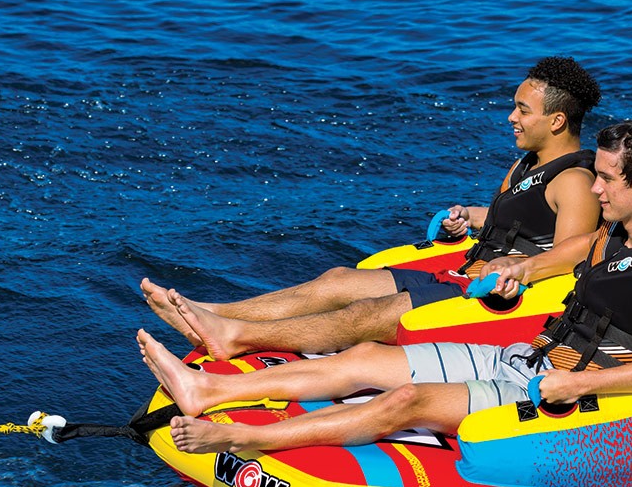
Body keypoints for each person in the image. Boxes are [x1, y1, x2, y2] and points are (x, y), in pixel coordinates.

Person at [137, 117, 632, 455]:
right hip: (526, 358)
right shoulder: (612, 234)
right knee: (364, 356)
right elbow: (571, 265)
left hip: (563, 397)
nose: (596, 189)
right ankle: (208, 389)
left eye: (607, 179)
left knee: (404, 402)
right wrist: (514, 274)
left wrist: (573, 384)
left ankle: (247, 439)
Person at [140, 56, 603, 360]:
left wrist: (517, 270)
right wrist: (471, 215)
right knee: (338, 280)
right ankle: (211, 311)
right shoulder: (527, 165)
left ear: (556, 120)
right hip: (461, 273)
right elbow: (522, 220)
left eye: (523, 110)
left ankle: (236, 335)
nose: (511, 117)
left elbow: (573, 257)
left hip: (487, 298)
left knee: (365, 315)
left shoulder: (575, 182)